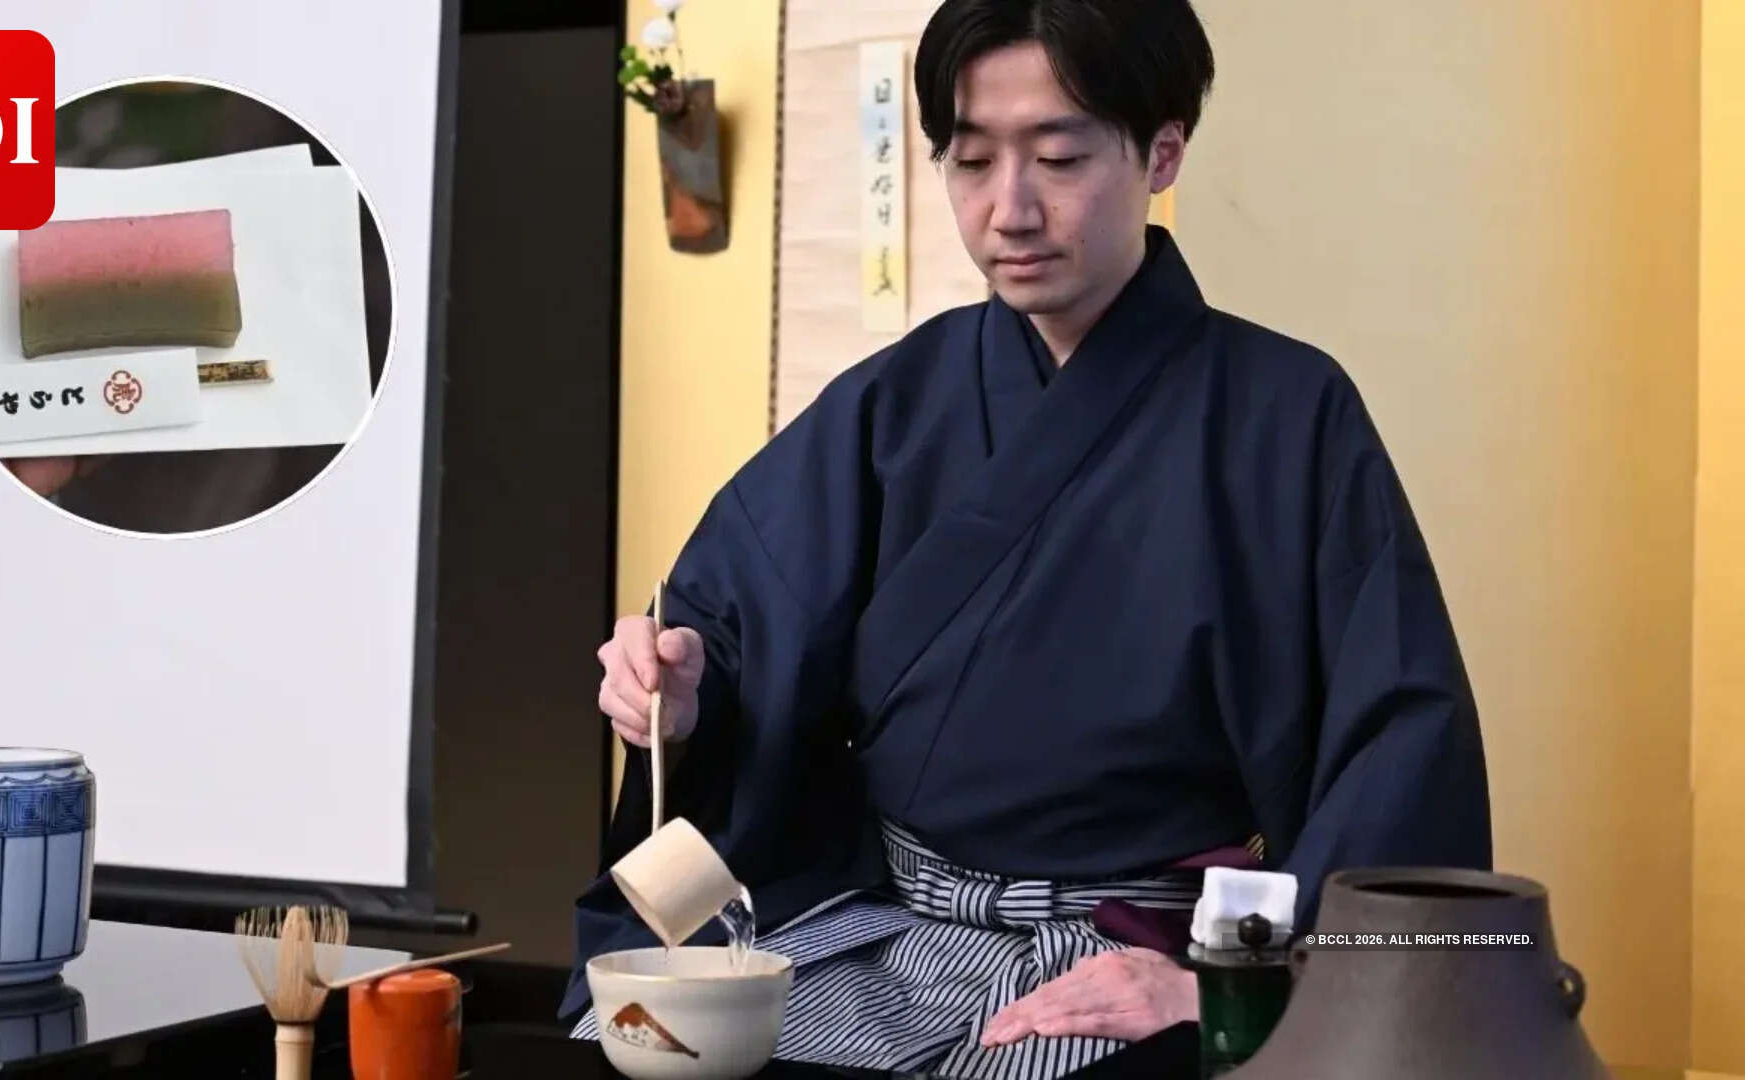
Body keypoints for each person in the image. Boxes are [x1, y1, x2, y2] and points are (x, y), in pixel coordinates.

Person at [568, 0, 1491, 1075]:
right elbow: (734, 624)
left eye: (1057, 157)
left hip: (1142, 952)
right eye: (969, 161)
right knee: (646, 1045)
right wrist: (681, 694)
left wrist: (1232, 979)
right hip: (892, 933)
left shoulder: (1289, 416)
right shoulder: (895, 406)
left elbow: (1396, 743)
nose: (1009, 209)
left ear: (1162, 151)